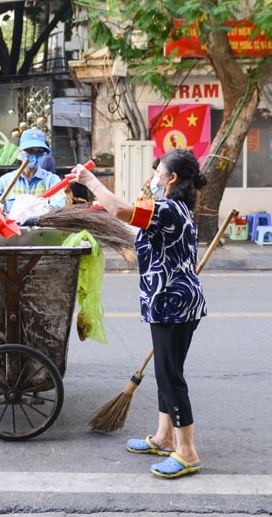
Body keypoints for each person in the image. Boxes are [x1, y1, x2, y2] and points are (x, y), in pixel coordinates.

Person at [70, 148, 207, 479]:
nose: (153, 178)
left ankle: (187, 451)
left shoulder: (168, 210)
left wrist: (90, 180)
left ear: (172, 179)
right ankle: (164, 437)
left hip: (172, 305)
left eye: (158, 172)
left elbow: (119, 210)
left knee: (170, 376)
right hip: (172, 302)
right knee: (165, 371)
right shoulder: (174, 209)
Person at [0, 128, 66, 214]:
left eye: (39, 151)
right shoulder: (5, 181)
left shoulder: (51, 180)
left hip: (41, 226)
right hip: (13, 226)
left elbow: (60, 201)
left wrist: (47, 210)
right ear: (20, 152)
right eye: (30, 150)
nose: (34, 155)